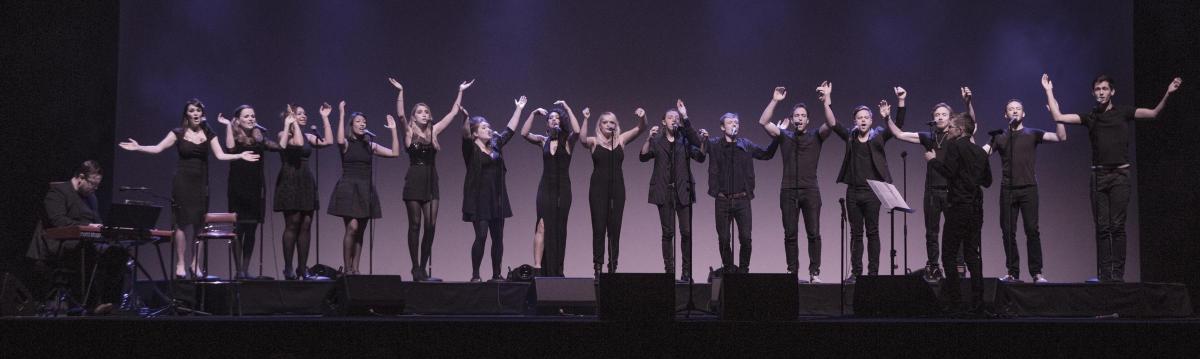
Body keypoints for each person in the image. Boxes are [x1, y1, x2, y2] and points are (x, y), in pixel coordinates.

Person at [1043, 73, 1182, 282]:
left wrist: (1168, 93)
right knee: (1102, 227)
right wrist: (1048, 90)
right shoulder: (1091, 117)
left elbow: (1153, 114)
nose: (1101, 92)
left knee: (1117, 227)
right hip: (1098, 176)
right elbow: (1058, 117)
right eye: (1098, 89)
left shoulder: (1124, 112)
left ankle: (1117, 276)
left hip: (1119, 175)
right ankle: (1104, 275)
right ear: (1093, 93)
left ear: (1112, 91)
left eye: (1105, 89)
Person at [119, 99, 260, 279]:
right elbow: (158, 148)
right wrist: (138, 147)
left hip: (201, 183)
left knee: (199, 224)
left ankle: (195, 264)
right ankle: (180, 263)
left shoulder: (209, 132)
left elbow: (220, 155)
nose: (195, 113)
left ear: (202, 114)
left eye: (198, 111)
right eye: (192, 111)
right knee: (181, 223)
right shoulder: (178, 133)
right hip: (183, 182)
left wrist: (240, 155)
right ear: (187, 114)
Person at [883, 86, 975, 281]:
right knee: (931, 232)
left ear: (951, 118)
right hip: (932, 191)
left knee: (955, 231)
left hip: (952, 191)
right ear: (934, 117)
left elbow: (971, 126)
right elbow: (899, 135)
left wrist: (967, 103)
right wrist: (887, 118)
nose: (940, 117)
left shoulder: (956, 136)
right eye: (937, 114)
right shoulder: (929, 137)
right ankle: (934, 266)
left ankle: (959, 266)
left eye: (944, 114)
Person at [390, 78, 474, 281]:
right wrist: (401, 91)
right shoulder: (409, 131)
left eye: (426, 112)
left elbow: (452, 114)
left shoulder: (434, 131)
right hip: (414, 180)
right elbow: (400, 114)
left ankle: (424, 265)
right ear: (414, 116)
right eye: (420, 112)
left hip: (431, 180)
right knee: (415, 225)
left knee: (431, 226)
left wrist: (460, 90)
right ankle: (415, 267)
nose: (424, 114)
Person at [979, 98, 1067, 283]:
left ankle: (1037, 273)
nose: (1015, 111)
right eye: (1011, 109)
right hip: (1007, 189)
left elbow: (1060, 137)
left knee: (1032, 230)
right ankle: (1012, 272)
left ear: (1024, 113)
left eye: (1018, 108)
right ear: (1006, 115)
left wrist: (1058, 117)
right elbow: (980, 155)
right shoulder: (1000, 136)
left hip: (1028, 189)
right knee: (1007, 231)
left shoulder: (1032, 133)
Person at [824, 82, 900, 283]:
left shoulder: (878, 138)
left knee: (872, 232)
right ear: (855, 121)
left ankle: (873, 274)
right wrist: (826, 100)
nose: (863, 120)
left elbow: (897, 128)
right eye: (860, 118)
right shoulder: (850, 137)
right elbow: (833, 123)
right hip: (854, 192)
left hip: (873, 192)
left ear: (871, 120)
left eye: (866, 117)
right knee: (856, 234)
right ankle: (856, 273)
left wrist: (897, 107)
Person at [758, 86, 834, 282]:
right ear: (792, 120)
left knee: (814, 233)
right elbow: (763, 122)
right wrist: (775, 100)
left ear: (807, 120)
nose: (799, 118)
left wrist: (826, 100)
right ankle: (792, 271)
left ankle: (814, 272)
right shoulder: (785, 137)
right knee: (790, 234)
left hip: (810, 191)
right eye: (796, 116)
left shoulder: (816, 136)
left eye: (803, 115)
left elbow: (831, 123)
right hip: (788, 191)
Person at [27, 160, 123, 313]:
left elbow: (97, 221)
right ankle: (91, 304)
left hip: (83, 240)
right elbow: (58, 221)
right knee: (88, 250)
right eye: (92, 184)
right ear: (81, 177)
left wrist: (101, 228)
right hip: (57, 242)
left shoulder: (92, 198)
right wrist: (86, 227)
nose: (95, 188)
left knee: (117, 253)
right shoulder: (58, 192)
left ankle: (109, 301)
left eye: (98, 185)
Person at [925, 112, 991, 312]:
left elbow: (949, 172)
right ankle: (978, 302)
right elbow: (987, 182)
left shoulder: (954, 145)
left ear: (960, 130)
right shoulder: (980, 152)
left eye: (952, 127)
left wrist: (932, 160)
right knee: (973, 254)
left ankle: (956, 302)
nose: (949, 130)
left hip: (958, 207)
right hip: (976, 209)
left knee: (949, 255)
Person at [327, 101, 400, 275]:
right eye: (359, 121)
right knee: (351, 228)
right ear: (352, 125)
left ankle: (356, 269)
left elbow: (395, 153)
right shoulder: (346, 143)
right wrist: (342, 113)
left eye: (364, 122)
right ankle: (347, 267)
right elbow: (338, 140)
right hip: (348, 188)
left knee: (360, 231)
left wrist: (393, 130)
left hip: (365, 190)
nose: (362, 124)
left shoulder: (370, 145)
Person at [640, 99, 707, 283]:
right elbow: (643, 157)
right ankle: (669, 272)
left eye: (676, 118)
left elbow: (700, 157)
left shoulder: (684, 141)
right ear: (663, 122)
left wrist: (702, 141)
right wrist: (648, 138)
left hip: (683, 191)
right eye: (670, 117)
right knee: (667, 233)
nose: (673, 120)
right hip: (664, 191)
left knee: (686, 233)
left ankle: (686, 273)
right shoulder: (658, 140)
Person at [704, 110, 778, 274]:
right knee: (724, 239)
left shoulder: (746, 145)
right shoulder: (715, 145)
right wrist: (687, 121)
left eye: (736, 123)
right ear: (722, 127)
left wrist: (777, 138)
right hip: (722, 200)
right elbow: (698, 145)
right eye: (730, 123)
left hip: (742, 200)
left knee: (746, 238)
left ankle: (744, 270)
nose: (734, 125)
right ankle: (729, 268)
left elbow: (766, 154)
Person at [461, 96, 525, 282]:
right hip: (479, 199)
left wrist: (519, 109)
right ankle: (475, 275)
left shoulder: (496, 144)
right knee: (481, 236)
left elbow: (509, 131)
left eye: (489, 126)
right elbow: (465, 135)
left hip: (497, 198)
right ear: (475, 133)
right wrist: (464, 119)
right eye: (483, 127)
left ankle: (496, 274)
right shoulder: (470, 149)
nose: (488, 129)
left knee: (498, 238)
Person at [580, 107, 646, 277]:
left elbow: (641, 128)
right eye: (605, 122)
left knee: (615, 230)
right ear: (600, 125)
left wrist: (642, 117)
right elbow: (581, 140)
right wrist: (586, 119)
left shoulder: (621, 140)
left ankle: (613, 268)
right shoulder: (594, 141)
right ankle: (598, 268)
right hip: (597, 190)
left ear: (616, 125)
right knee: (599, 229)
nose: (609, 125)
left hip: (617, 190)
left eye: (612, 122)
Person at [217, 105, 281, 280]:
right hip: (238, 188)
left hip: (255, 188)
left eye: (253, 115)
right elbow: (229, 148)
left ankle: (245, 269)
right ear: (238, 120)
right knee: (238, 230)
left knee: (251, 231)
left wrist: (289, 124)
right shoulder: (234, 135)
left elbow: (278, 147)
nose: (252, 119)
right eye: (247, 116)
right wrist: (227, 126)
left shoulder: (259, 138)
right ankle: (238, 270)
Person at [520, 100, 582, 277]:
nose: (554, 120)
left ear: (561, 122)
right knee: (541, 225)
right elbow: (524, 133)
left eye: (557, 118)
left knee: (559, 229)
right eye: (550, 118)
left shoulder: (568, 142)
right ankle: (538, 268)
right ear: (547, 123)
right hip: (545, 188)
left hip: (563, 190)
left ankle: (557, 270)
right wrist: (533, 113)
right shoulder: (543, 140)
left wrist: (567, 108)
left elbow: (577, 131)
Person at [275, 103, 334, 280]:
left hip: (306, 181)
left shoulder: (308, 135)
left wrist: (325, 118)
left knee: (306, 225)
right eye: (299, 113)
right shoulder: (283, 134)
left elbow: (329, 141)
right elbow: (297, 143)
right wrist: (290, 124)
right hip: (290, 180)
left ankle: (302, 268)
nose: (304, 116)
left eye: (304, 113)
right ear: (290, 116)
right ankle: (288, 268)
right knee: (292, 224)